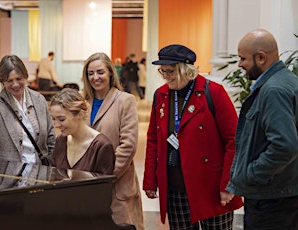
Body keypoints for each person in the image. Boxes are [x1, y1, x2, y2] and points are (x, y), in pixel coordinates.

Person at [143, 44, 243, 229]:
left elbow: (234, 141)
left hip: (211, 187)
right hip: (176, 188)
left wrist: (228, 184)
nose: (166, 76)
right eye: (162, 71)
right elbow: (153, 141)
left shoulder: (213, 92)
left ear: (185, 69)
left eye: (170, 71)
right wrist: (150, 180)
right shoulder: (161, 95)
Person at [227, 29, 298, 229]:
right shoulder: (285, 81)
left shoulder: (273, 90)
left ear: (261, 57)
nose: (239, 64)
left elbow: (285, 145)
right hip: (278, 194)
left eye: (243, 58)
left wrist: (252, 174)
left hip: (271, 199)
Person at [81, 52, 144, 230]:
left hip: (117, 182)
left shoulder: (125, 101)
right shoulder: (81, 101)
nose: (95, 77)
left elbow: (128, 146)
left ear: (110, 73)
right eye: (90, 73)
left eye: (100, 72)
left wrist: (105, 176)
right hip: (86, 184)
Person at [0, 55, 56, 186]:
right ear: (2, 81)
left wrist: (50, 172)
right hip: (8, 182)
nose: (15, 84)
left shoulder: (39, 100)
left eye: (19, 79)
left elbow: (51, 140)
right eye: (9, 81)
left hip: (39, 179)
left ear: (25, 76)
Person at [49, 88, 115, 175]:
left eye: (61, 119)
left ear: (80, 114)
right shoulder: (60, 141)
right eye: (53, 119)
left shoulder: (101, 146)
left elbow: (103, 186)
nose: (56, 125)